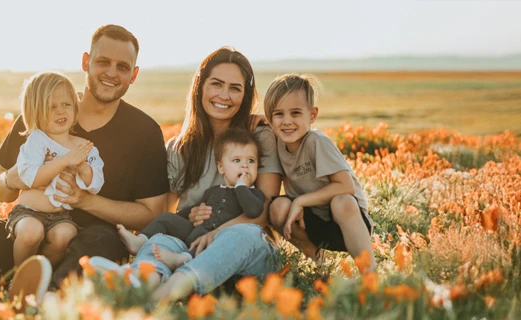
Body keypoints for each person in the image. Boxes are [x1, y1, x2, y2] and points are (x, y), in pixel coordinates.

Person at [0, 25, 168, 302]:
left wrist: (85, 201)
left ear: (134, 75)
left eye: (122, 67)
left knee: (105, 241)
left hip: (87, 246)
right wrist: (12, 179)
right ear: (85, 62)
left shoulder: (144, 131)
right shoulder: (43, 112)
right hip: (27, 236)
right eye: (103, 62)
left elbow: (151, 213)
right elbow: (0, 187)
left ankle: (44, 299)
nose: (111, 73)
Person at [113, 47, 283, 302]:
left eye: (235, 88)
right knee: (161, 239)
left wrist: (214, 234)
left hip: (247, 251)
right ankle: (140, 287)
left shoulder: (259, 137)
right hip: (191, 246)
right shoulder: (180, 147)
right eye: (216, 84)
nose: (224, 95)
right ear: (200, 87)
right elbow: (165, 211)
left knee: (241, 235)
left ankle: (165, 295)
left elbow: (262, 214)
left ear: (245, 95)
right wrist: (189, 215)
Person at [264, 74, 375, 268]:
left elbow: (345, 186)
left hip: (347, 223)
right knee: (277, 207)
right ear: (270, 119)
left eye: (296, 113)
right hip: (312, 222)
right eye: (279, 114)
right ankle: (318, 265)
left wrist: (300, 200)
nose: (287, 121)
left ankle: (369, 273)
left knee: (343, 201)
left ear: (312, 115)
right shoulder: (278, 145)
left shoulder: (317, 142)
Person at [117, 128, 265, 268]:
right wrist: (187, 215)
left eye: (251, 161)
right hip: (195, 231)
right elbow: (191, 210)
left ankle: (183, 259)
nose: (245, 166)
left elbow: (253, 210)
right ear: (221, 168)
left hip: (217, 239)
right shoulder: (213, 191)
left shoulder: (255, 194)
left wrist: (241, 186)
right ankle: (141, 241)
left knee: (205, 243)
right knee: (166, 218)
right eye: (237, 161)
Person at [6, 71, 105, 267]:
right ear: (35, 112)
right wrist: (64, 160)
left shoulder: (84, 146)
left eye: (66, 105)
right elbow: (31, 178)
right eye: (51, 107)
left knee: (65, 235)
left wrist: (83, 167)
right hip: (28, 212)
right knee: (31, 233)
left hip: (60, 216)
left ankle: (42, 274)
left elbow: (96, 184)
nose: (61, 112)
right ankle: (17, 276)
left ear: (75, 108)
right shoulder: (37, 140)